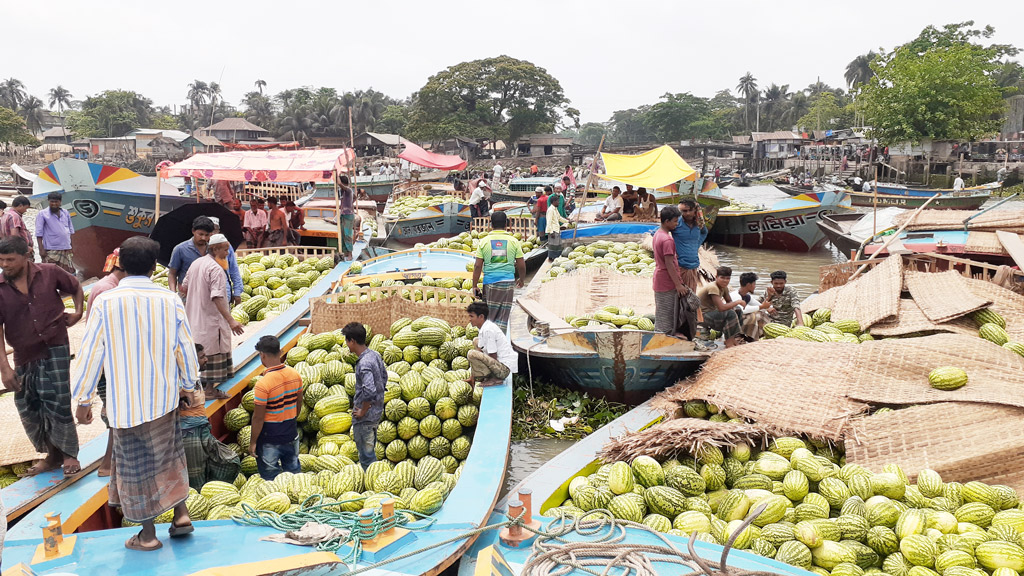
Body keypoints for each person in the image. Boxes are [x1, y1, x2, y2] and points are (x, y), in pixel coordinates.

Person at [72, 236, 200, 552]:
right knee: (170, 458)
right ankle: (181, 515)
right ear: (155, 268)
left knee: (137, 469)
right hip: (164, 399)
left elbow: (91, 353)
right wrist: (188, 385)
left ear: (121, 265)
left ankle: (147, 535)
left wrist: (84, 398)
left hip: (125, 405)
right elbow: (184, 347)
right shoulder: (170, 300)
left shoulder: (105, 301)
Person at [0, 236, 83, 476]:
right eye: (2, 260)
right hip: (24, 353)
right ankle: (51, 454)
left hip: (55, 346)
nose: (5, 265)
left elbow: (76, 287)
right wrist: (4, 368)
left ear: (26, 257)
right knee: (29, 404)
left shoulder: (49, 272)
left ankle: (69, 455)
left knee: (58, 400)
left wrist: (77, 313)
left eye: (10, 260)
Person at [182, 234, 244, 401]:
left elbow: (184, 287)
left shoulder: (197, 263)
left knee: (200, 353)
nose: (228, 253)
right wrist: (231, 320)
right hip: (211, 320)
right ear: (215, 249)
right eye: (225, 249)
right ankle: (210, 390)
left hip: (195, 318)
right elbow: (216, 297)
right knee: (213, 353)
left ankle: (200, 388)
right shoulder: (216, 269)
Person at [88, 249, 128, 477]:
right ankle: (107, 464)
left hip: (111, 359)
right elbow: (99, 334)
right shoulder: (107, 289)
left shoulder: (110, 286)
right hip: (108, 361)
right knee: (115, 412)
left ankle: (111, 461)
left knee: (115, 411)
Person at [180, 343, 240, 490]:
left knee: (230, 460)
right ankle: (198, 502)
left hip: (202, 429)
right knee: (196, 475)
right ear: (192, 360)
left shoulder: (194, 379)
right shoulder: (182, 384)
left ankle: (210, 491)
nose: (206, 359)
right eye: (202, 357)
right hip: (189, 433)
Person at [250, 335, 303, 480]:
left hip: (269, 439)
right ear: (280, 352)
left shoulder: (263, 384)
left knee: (271, 479)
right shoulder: (295, 375)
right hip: (291, 434)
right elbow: (299, 404)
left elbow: (258, 417)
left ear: (262, 355)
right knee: (294, 477)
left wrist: (253, 441)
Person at [471, 211, 525, 333]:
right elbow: (521, 264)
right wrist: (521, 279)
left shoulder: (484, 241)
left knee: (490, 316)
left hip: (490, 283)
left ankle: (490, 345)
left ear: (491, 224)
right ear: (506, 224)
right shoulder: (513, 241)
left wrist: (474, 285)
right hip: (508, 282)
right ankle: (500, 343)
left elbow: (477, 266)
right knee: (503, 317)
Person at [344, 322, 386, 469]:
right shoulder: (374, 355)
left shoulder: (364, 364)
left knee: (367, 457)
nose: (347, 345)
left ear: (352, 341)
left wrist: (363, 410)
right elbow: (384, 377)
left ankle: (372, 484)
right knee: (370, 450)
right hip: (376, 413)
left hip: (365, 418)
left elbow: (369, 390)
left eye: (347, 341)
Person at [671, 199, 707, 339]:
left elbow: (704, 232)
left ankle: (688, 329)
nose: (683, 214)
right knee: (679, 301)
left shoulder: (699, 225)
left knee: (689, 301)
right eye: (681, 211)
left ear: (694, 211)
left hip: (693, 267)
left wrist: (695, 245)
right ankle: (678, 329)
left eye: (686, 211)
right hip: (680, 266)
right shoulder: (676, 223)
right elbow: (658, 233)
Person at [652, 206, 691, 337]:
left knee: (662, 311)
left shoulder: (658, 234)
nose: (676, 224)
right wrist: (678, 284)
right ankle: (663, 339)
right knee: (667, 314)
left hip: (660, 278)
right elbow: (669, 264)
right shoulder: (667, 240)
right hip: (666, 281)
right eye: (675, 221)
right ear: (667, 221)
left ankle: (660, 336)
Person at [465, 301, 517, 386]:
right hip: (500, 365)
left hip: (503, 370)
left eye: (472, 316)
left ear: (481, 316)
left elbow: (493, 355)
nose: (469, 319)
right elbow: (480, 350)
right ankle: (484, 376)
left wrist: (493, 376)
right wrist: (472, 377)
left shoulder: (488, 330)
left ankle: (495, 379)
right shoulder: (484, 327)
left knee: (471, 354)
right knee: (476, 341)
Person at [167, 216, 214, 297]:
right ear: (193, 231)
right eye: (200, 234)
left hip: (208, 295)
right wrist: (173, 294)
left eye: (207, 235)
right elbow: (172, 274)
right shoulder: (180, 249)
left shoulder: (213, 249)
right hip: (186, 295)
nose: (203, 238)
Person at [697, 266, 744, 347]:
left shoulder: (724, 287)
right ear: (716, 277)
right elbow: (721, 308)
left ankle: (734, 338)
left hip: (711, 313)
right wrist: (737, 302)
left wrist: (735, 309)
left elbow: (729, 301)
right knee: (730, 313)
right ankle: (729, 341)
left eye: (727, 278)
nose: (725, 281)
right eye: (722, 278)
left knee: (738, 310)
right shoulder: (713, 287)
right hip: (702, 316)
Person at [35, 192, 76, 275]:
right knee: (50, 272)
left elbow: (70, 230)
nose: (54, 204)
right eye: (52, 202)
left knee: (67, 273)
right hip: (51, 248)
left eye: (56, 202)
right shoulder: (42, 214)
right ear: (48, 201)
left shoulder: (65, 213)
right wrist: (41, 249)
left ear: (60, 202)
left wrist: (71, 246)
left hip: (65, 247)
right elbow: (39, 233)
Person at [209, 217, 242, 305]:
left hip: (225, 293)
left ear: (218, 230)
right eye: (210, 230)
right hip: (207, 296)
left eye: (215, 229)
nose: (213, 233)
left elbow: (234, 270)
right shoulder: (201, 248)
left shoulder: (226, 246)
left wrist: (237, 292)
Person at [734, 272, 769, 341]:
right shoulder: (735, 295)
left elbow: (759, 305)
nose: (755, 286)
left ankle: (762, 335)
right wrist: (761, 307)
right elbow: (743, 310)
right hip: (731, 322)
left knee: (761, 314)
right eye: (754, 284)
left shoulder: (747, 296)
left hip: (739, 320)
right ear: (749, 285)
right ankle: (748, 337)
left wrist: (768, 307)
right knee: (752, 316)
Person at [545, 190, 570, 261]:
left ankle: (555, 257)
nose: (559, 203)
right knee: (553, 245)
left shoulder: (555, 209)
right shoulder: (550, 210)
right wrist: (550, 231)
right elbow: (549, 222)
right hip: (553, 230)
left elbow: (559, 218)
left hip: (556, 229)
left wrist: (568, 221)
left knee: (557, 244)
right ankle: (551, 257)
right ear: (553, 202)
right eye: (557, 201)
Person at [338, 174, 356, 260]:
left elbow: (340, 184)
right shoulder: (342, 191)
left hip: (348, 215)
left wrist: (336, 177)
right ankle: (345, 252)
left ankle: (350, 254)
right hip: (343, 214)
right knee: (342, 234)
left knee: (348, 234)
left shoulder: (348, 190)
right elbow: (355, 197)